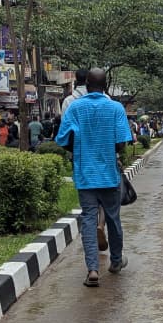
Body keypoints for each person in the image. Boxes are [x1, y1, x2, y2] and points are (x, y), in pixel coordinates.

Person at [56, 67, 132, 287]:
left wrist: (79, 150)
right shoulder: (116, 108)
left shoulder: (75, 107)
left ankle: (92, 270)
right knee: (113, 219)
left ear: (86, 85)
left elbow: (63, 139)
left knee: (89, 220)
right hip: (109, 175)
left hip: (85, 174)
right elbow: (121, 143)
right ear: (105, 85)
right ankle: (116, 261)